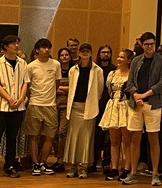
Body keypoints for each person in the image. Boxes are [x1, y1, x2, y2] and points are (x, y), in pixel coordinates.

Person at [122, 31, 162, 186]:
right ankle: (133, 172)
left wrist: (144, 95)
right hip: (136, 105)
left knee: (153, 138)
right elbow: (129, 83)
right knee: (135, 138)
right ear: (141, 45)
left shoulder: (161, 61)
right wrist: (136, 95)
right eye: (147, 44)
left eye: (152, 44)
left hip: (153, 104)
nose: (150, 47)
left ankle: (155, 173)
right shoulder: (136, 61)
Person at [0, 35, 29, 179]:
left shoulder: (22, 63)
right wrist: (10, 99)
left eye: (17, 43)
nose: (16, 46)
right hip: (1, 106)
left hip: (18, 106)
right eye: (13, 43)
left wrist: (21, 98)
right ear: (5, 47)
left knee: (13, 137)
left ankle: (9, 165)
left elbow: (25, 83)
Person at [63, 43, 104, 178]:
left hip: (89, 108)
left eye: (88, 51)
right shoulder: (73, 70)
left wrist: (91, 103)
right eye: (83, 51)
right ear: (79, 53)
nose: (85, 53)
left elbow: (99, 90)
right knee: (73, 137)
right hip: (75, 107)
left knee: (86, 138)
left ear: (91, 53)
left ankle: (83, 167)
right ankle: (73, 166)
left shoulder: (97, 70)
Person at [23, 38, 60, 176]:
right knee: (34, 136)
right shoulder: (31, 66)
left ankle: (43, 162)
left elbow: (57, 83)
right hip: (35, 105)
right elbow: (27, 86)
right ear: (37, 50)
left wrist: (50, 97)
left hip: (50, 105)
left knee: (50, 136)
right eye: (44, 47)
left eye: (48, 47)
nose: (47, 50)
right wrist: (32, 97)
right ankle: (35, 164)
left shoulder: (55, 64)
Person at [99, 48, 133, 180]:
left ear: (129, 60)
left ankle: (126, 167)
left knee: (127, 140)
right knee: (114, 140)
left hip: (125, 106)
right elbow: (109, 90)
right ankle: (114, 167)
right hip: (113, 106)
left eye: (122, 57)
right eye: (118, 57)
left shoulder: (131, 74)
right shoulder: (112, 74)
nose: (119, 59)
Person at [51, 42, 75, 172]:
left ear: (70, 57)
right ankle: (57, 158)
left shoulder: (74, 70)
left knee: (62, 132)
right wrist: (65, 89)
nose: (64, 57)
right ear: (59, 57)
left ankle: (61, 160)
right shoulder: (55, 69)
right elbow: (51, 88)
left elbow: (74, 89)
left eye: (67, 55)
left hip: (67, 105)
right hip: (54, 103)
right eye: (62, 55)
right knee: (53, 133)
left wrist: (59, 88)